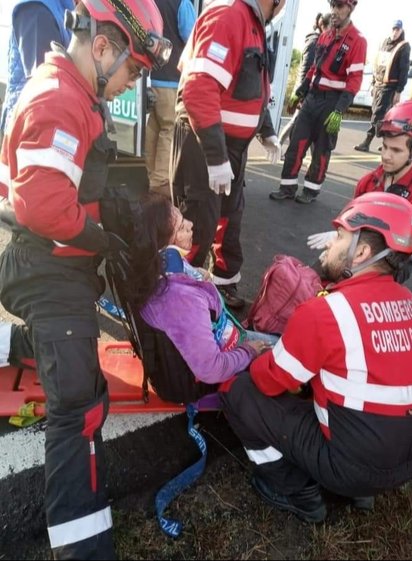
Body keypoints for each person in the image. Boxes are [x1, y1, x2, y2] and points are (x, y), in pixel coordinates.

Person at [0, 0, 172, 558]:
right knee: (79, 403)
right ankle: (84, 546)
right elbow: (45, 208)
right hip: (43, 262)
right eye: (134, 69)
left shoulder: (75, 91)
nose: (132, 81)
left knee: (63, 346)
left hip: (48, 256)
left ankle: (13, 344)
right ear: (103, 46)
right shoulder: (60, 100)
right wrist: (102, 239)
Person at [220, 191, 412, 524]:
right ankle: (359, 492)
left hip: (357, 465)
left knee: (239, 391)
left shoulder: (326, 312)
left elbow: (269, 379)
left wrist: (257, 353)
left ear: (361, 252)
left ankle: (298, 492)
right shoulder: (410, 304)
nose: (329, 246)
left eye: (339, 237)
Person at [170, 0, 285, 310]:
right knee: (196, 226)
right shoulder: (228, 16)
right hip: (202, 142)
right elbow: (198, 89)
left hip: (230, 147)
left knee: (229, 219)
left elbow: (255, 91)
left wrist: (267, 130)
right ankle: (180, 299)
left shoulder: (254, 24)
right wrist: (215, 157)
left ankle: (222, 287)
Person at [126, 192, 277, 386]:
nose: (190, 224)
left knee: (287, 342)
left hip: (224, 337)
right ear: (165, 243)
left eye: (183, 218)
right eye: (181, 227)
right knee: (293, 351)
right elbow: (212, 370)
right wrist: (249, 351)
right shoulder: (179, 299)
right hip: (220, 364)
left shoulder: (156, 266)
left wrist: (196, 274)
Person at [307, 99, 412, 251]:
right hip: (355, 252)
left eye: (396, 150)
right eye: (384, 147)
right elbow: (353, 219)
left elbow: (401, 245)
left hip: (388, 262)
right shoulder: (369, 181)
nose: (386, 156)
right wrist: (341, 235)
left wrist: (347, 241)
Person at [269, 0, 366, 204]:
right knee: (297, 143)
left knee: (322, 149)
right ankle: (287, 187)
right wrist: (300, 91)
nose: (334, 12)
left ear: (351, 8)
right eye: (332, 6)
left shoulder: (357, 40)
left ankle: (311, 191)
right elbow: (315, 68)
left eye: (339, 7)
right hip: (313, 98)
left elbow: (355, 80)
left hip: (332, 102)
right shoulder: (326, 35)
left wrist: (339, 110)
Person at [0, 0, 75, 144]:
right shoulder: (38, 10)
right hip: (29, 132)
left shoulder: (62, 7)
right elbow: (45, 88)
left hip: (40, 126)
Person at [145, 0, 196, 198]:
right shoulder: (182, 3)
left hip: (152, 78)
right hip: (173, 80)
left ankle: (151, 176)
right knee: (169, 129)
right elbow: (193, 38)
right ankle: (161, 182)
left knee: (153, 127)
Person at [354, 19, 411, 153]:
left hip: (390, 87)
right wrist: (374, 83)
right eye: (393, 29)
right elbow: (378, 63)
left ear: (401, 30)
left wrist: (398, 91)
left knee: (378, 115)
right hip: (378, 84)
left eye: (397, 29)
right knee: (384, 116)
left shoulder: (404, 46)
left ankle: (366, 142)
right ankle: (389, 143)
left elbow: (404, 70)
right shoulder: (384, 43)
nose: (395, 32)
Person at [279, 12, 331, 150]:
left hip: (309, 90)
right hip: (306, 90)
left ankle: (282, 147)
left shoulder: (319, 40)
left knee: (304, 125)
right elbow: (306, 68)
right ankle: (279, 146)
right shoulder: (314, 42)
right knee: (297, 123)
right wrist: (301, 94)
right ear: (323, 26)